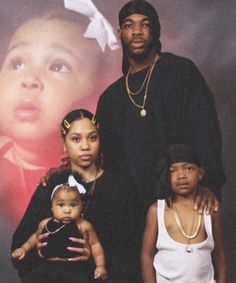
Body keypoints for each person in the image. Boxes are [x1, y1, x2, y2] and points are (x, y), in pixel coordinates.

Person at [96, 0, 225, 245]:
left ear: (155, 31)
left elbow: (205, 131)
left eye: (144, 24)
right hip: (130, 218)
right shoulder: (110, 99)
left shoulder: (181, 72)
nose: (136, 31)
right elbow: (103, 160)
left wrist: (208, 184)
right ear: (119, 33)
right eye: (128, 25)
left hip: (182, 204)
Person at [0, 1, 118, 221]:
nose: (29, 79)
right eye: (17, 63)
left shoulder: (99, 181)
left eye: (58, 66)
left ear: (97, 88)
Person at [11, 109, 135, 283]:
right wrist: (38, 251)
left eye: (92, 138)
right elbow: (19, 246)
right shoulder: (52, 184)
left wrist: (94, 259)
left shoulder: (118, 187)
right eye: (76, 139)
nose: (85, 146)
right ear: (64, 144)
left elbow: (130, 250)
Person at [141, 144, 227, 283]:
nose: (181, 176)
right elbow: (147, 255)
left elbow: (219, 254)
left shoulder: (210, 210)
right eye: (173, 171)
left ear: (200, 173)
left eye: (188, 169)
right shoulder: (157, 210)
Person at [12, 179, 108, 282]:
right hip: (47, 266)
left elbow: (95, 245)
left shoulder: (83, 225)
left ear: (81, 206)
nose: (67, 210)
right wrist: (23, 249)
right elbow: (35, 238)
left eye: (73, 205)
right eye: (61, 205)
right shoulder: (45, 223)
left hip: (74, 269)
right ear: (52, 207)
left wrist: (101, 266)